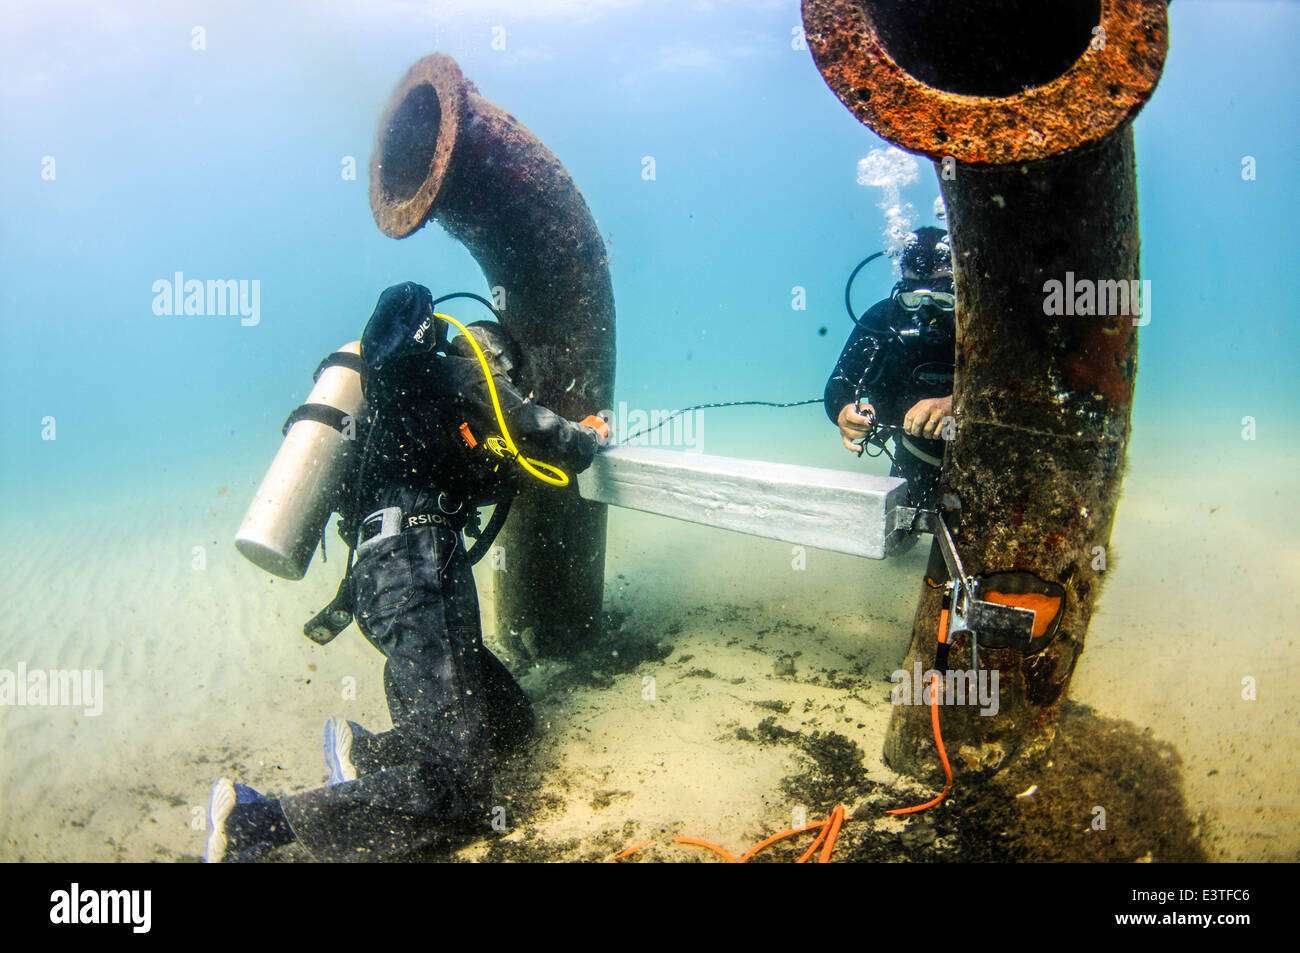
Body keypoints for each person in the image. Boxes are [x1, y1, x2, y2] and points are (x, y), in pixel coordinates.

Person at [204, 281, 609, 862]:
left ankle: (363, 757)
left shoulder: (390, 408)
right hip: (417, 575)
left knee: (512, 727)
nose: (509, 383)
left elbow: (479, 472)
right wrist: (589, 435)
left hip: (378, 580)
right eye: (506, 371)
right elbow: (544, 436)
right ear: (487, 353)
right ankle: (255, 821)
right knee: (464, 791)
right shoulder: (465, 376)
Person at [825, 226, 956, 509]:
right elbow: (839, 383)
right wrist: (844, 412)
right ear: (902, 284)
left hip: (989, 457)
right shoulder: (883, 318)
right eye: (914, 290)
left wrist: (955, 404)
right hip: (914, 455)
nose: (927, 304)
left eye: (942, 288)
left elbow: (1022, 386)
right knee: (899, 541)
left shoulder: (983, 322)